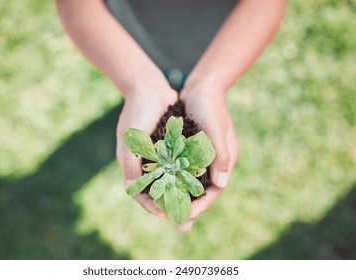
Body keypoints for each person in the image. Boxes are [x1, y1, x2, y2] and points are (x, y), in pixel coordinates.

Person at [55, 0, 287, 232]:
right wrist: (139, 84)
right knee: (147, 118)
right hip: (126, 46)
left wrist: (210, 84)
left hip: (219, 47)